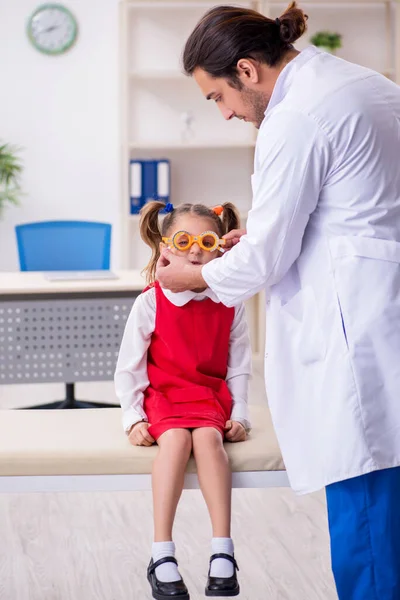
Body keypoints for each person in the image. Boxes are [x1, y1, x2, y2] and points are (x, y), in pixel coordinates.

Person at [155, 2, 400, 599]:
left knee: (366, 521)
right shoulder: (363, 83)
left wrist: (197, 279)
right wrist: (259, 235)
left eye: (218, 97)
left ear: (247, 70)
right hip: (380, 305)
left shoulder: (295, 118)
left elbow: (268, 258)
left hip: (357, 334)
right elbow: (351, 206)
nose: (226, 114)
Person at [114, 200, 252, 600]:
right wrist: (132, 418)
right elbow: (130, 367)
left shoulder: (230, 303)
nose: (195, 251)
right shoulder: (151, 301)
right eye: (184, 241)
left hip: (207, 395)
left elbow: (239, 366)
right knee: (174, 440)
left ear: (220, 247)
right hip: (164, 394)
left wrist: (240, 413)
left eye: (206, 242)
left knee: (209, 441)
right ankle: (162, 554)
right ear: (166, 247)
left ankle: (222, 551)